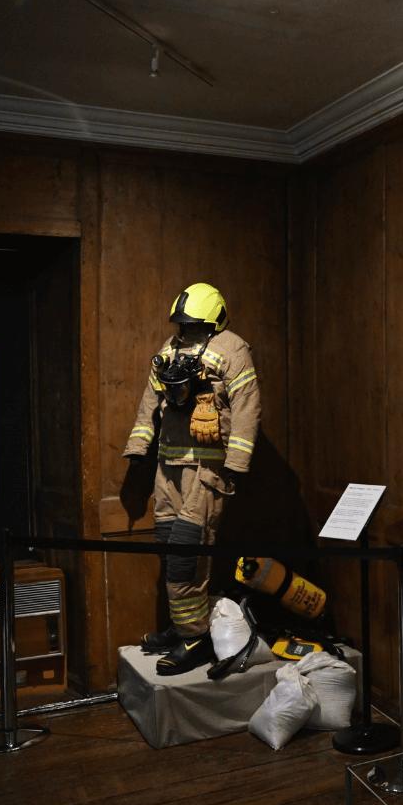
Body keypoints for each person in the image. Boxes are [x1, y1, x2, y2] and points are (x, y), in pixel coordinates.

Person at [123, 283, 261, 675]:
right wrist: (138, 452)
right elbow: (150, 401)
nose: (188, 332)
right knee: (169, 550)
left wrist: (236, 461)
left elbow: (248, 405)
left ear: (214, 322)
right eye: (183, 325)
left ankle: (196, 640)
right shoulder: (169, 349)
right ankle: (184, 628)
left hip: (208, 470)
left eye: (195, 326)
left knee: (188, 552)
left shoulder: (232, 350)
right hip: (168, 466)